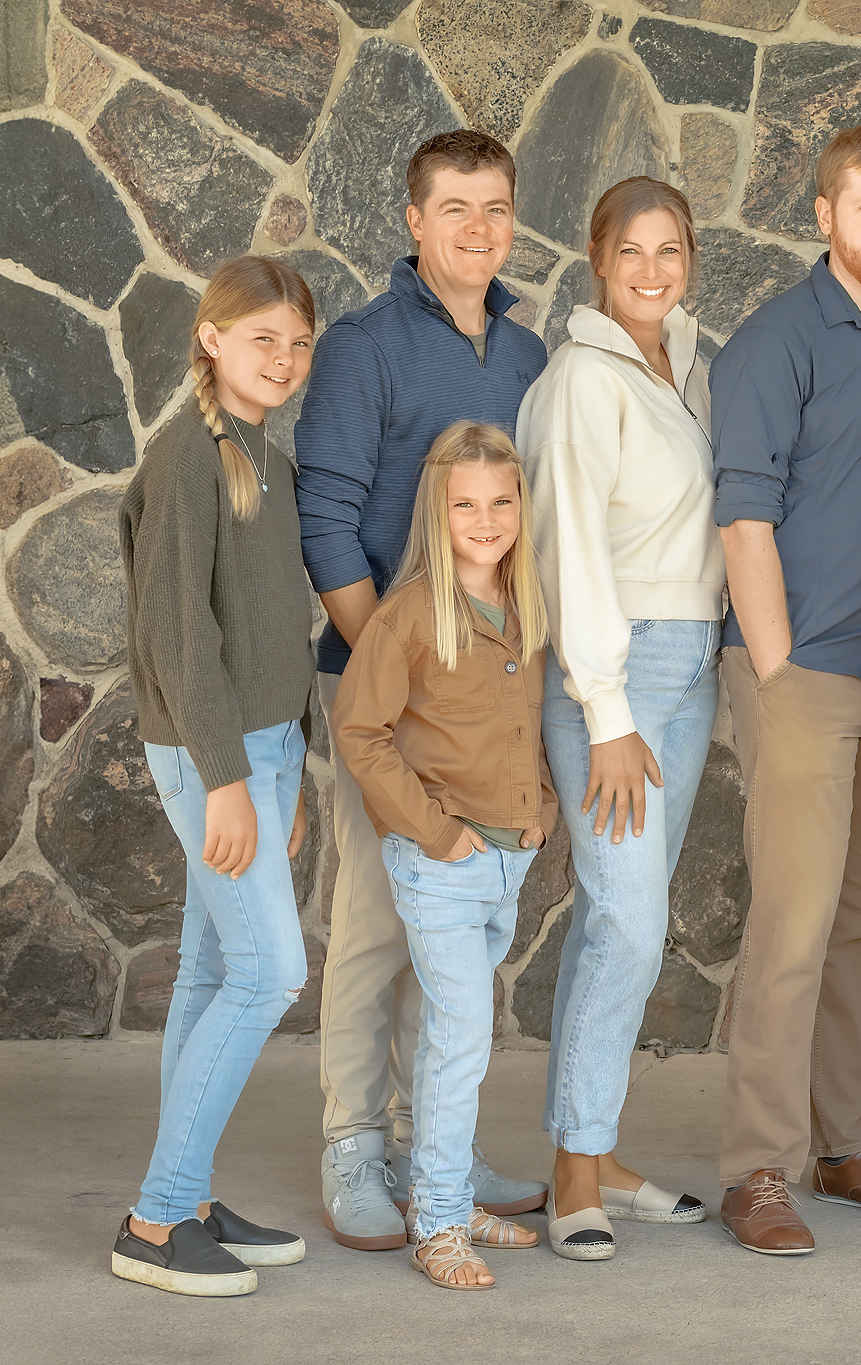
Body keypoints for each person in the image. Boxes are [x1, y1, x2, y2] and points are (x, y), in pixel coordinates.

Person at [710, 124, 861, 1254]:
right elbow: (745, 519)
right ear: (822, 216)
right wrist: (774, 679)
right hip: (801, 668)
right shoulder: (773, 343)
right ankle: (756, 1167)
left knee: (860, 925)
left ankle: (842, 1144)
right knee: (794, 924)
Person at [296, 129, 550, 1249]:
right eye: (456, 209)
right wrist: (398, 673)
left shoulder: (528, 356)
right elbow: (326, 522)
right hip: (384, 693)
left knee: (450, 943)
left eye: (495, 209)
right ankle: (356, 1144)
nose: (478, 230)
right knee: (370, 932)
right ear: (413, 220)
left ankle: (429, 1143)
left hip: (483, 711)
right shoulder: (365, 347)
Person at [518, 176, 720, 1260]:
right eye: (632, 251)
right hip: (621, 670)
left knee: (636, 928)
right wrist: (603, 710)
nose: (652, 269)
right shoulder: (578, 384)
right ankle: (570, 1178)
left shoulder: (682, 361)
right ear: (597, 257)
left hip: (689, 660)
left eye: (670, 250)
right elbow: (567, 552)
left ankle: (597, 1154)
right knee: (624, 923)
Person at [112, 256, 318, 1296]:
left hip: (263, 750)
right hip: (212, 751)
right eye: (261, 339)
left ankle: (187, 1199)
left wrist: (290, 769)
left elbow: (277, 626)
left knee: (208, 972)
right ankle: (154, 1220)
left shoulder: (263, 454)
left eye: (297, 342)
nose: (281, 359)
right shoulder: (190, 457)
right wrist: (228, 778)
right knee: (270, 971)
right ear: (211, 339)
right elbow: (177, 634)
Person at [332, 422, 557, 1289]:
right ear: (439, 511)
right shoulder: (413, 613)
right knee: (463, 1033)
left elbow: (525, 722)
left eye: (502, 501)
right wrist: (435, 830)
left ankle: (452, 1196)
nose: (486, 518)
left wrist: (538, 805)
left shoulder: (525, 604)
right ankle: (436, 1220)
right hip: (441, 861)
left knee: (449, 1031)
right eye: (466, 504)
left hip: (507, 861)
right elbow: (361, 731)